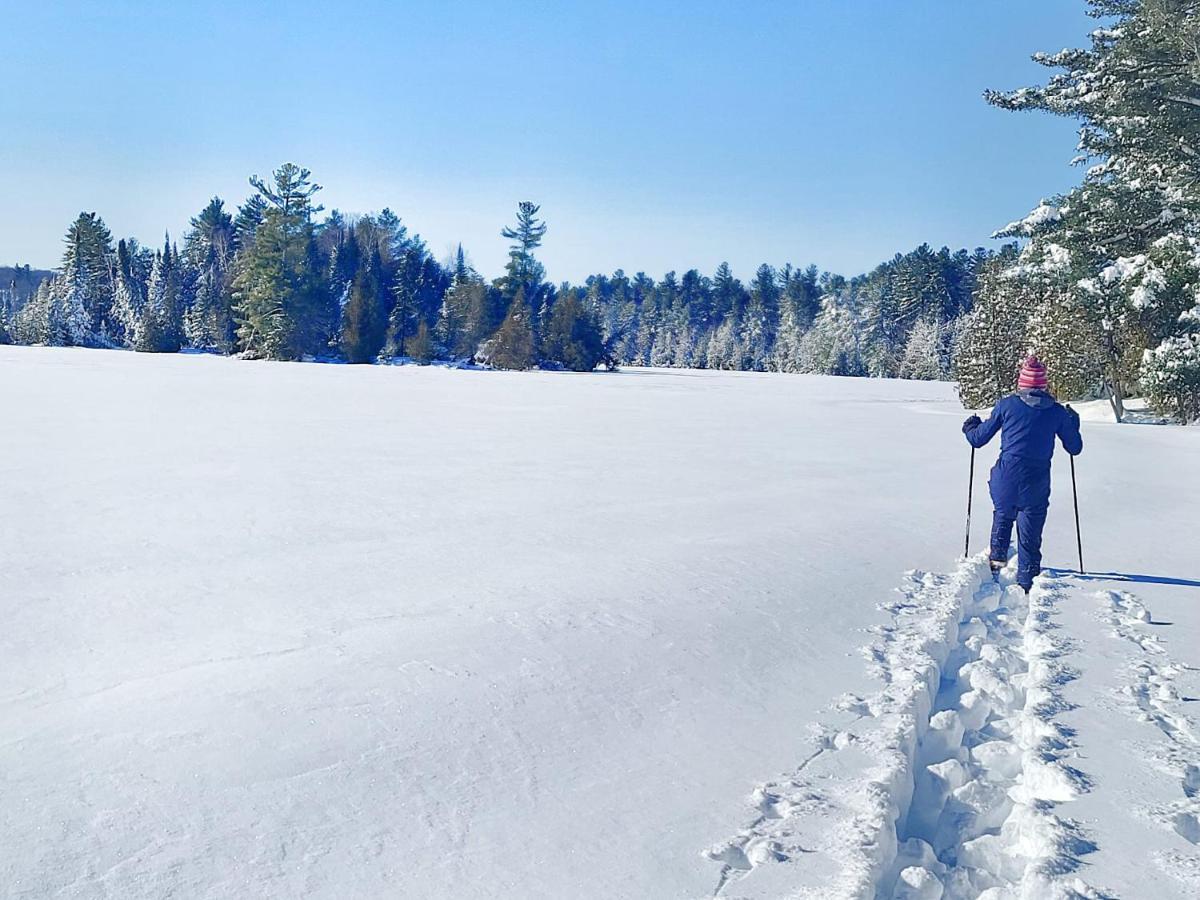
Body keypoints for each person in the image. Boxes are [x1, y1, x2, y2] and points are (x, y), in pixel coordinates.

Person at [962, 356, 1082, 592]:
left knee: (1003, 515)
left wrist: (970, 426)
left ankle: (995, 566)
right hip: (1036, 483)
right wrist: (1073, 423)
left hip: (1005, 478)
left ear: (1022, 383)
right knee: (1030, 535)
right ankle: (1027, 583)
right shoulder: (1057, 413)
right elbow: (1074, 448)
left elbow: (978, 440)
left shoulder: (1006, 405)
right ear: (1044, 385)